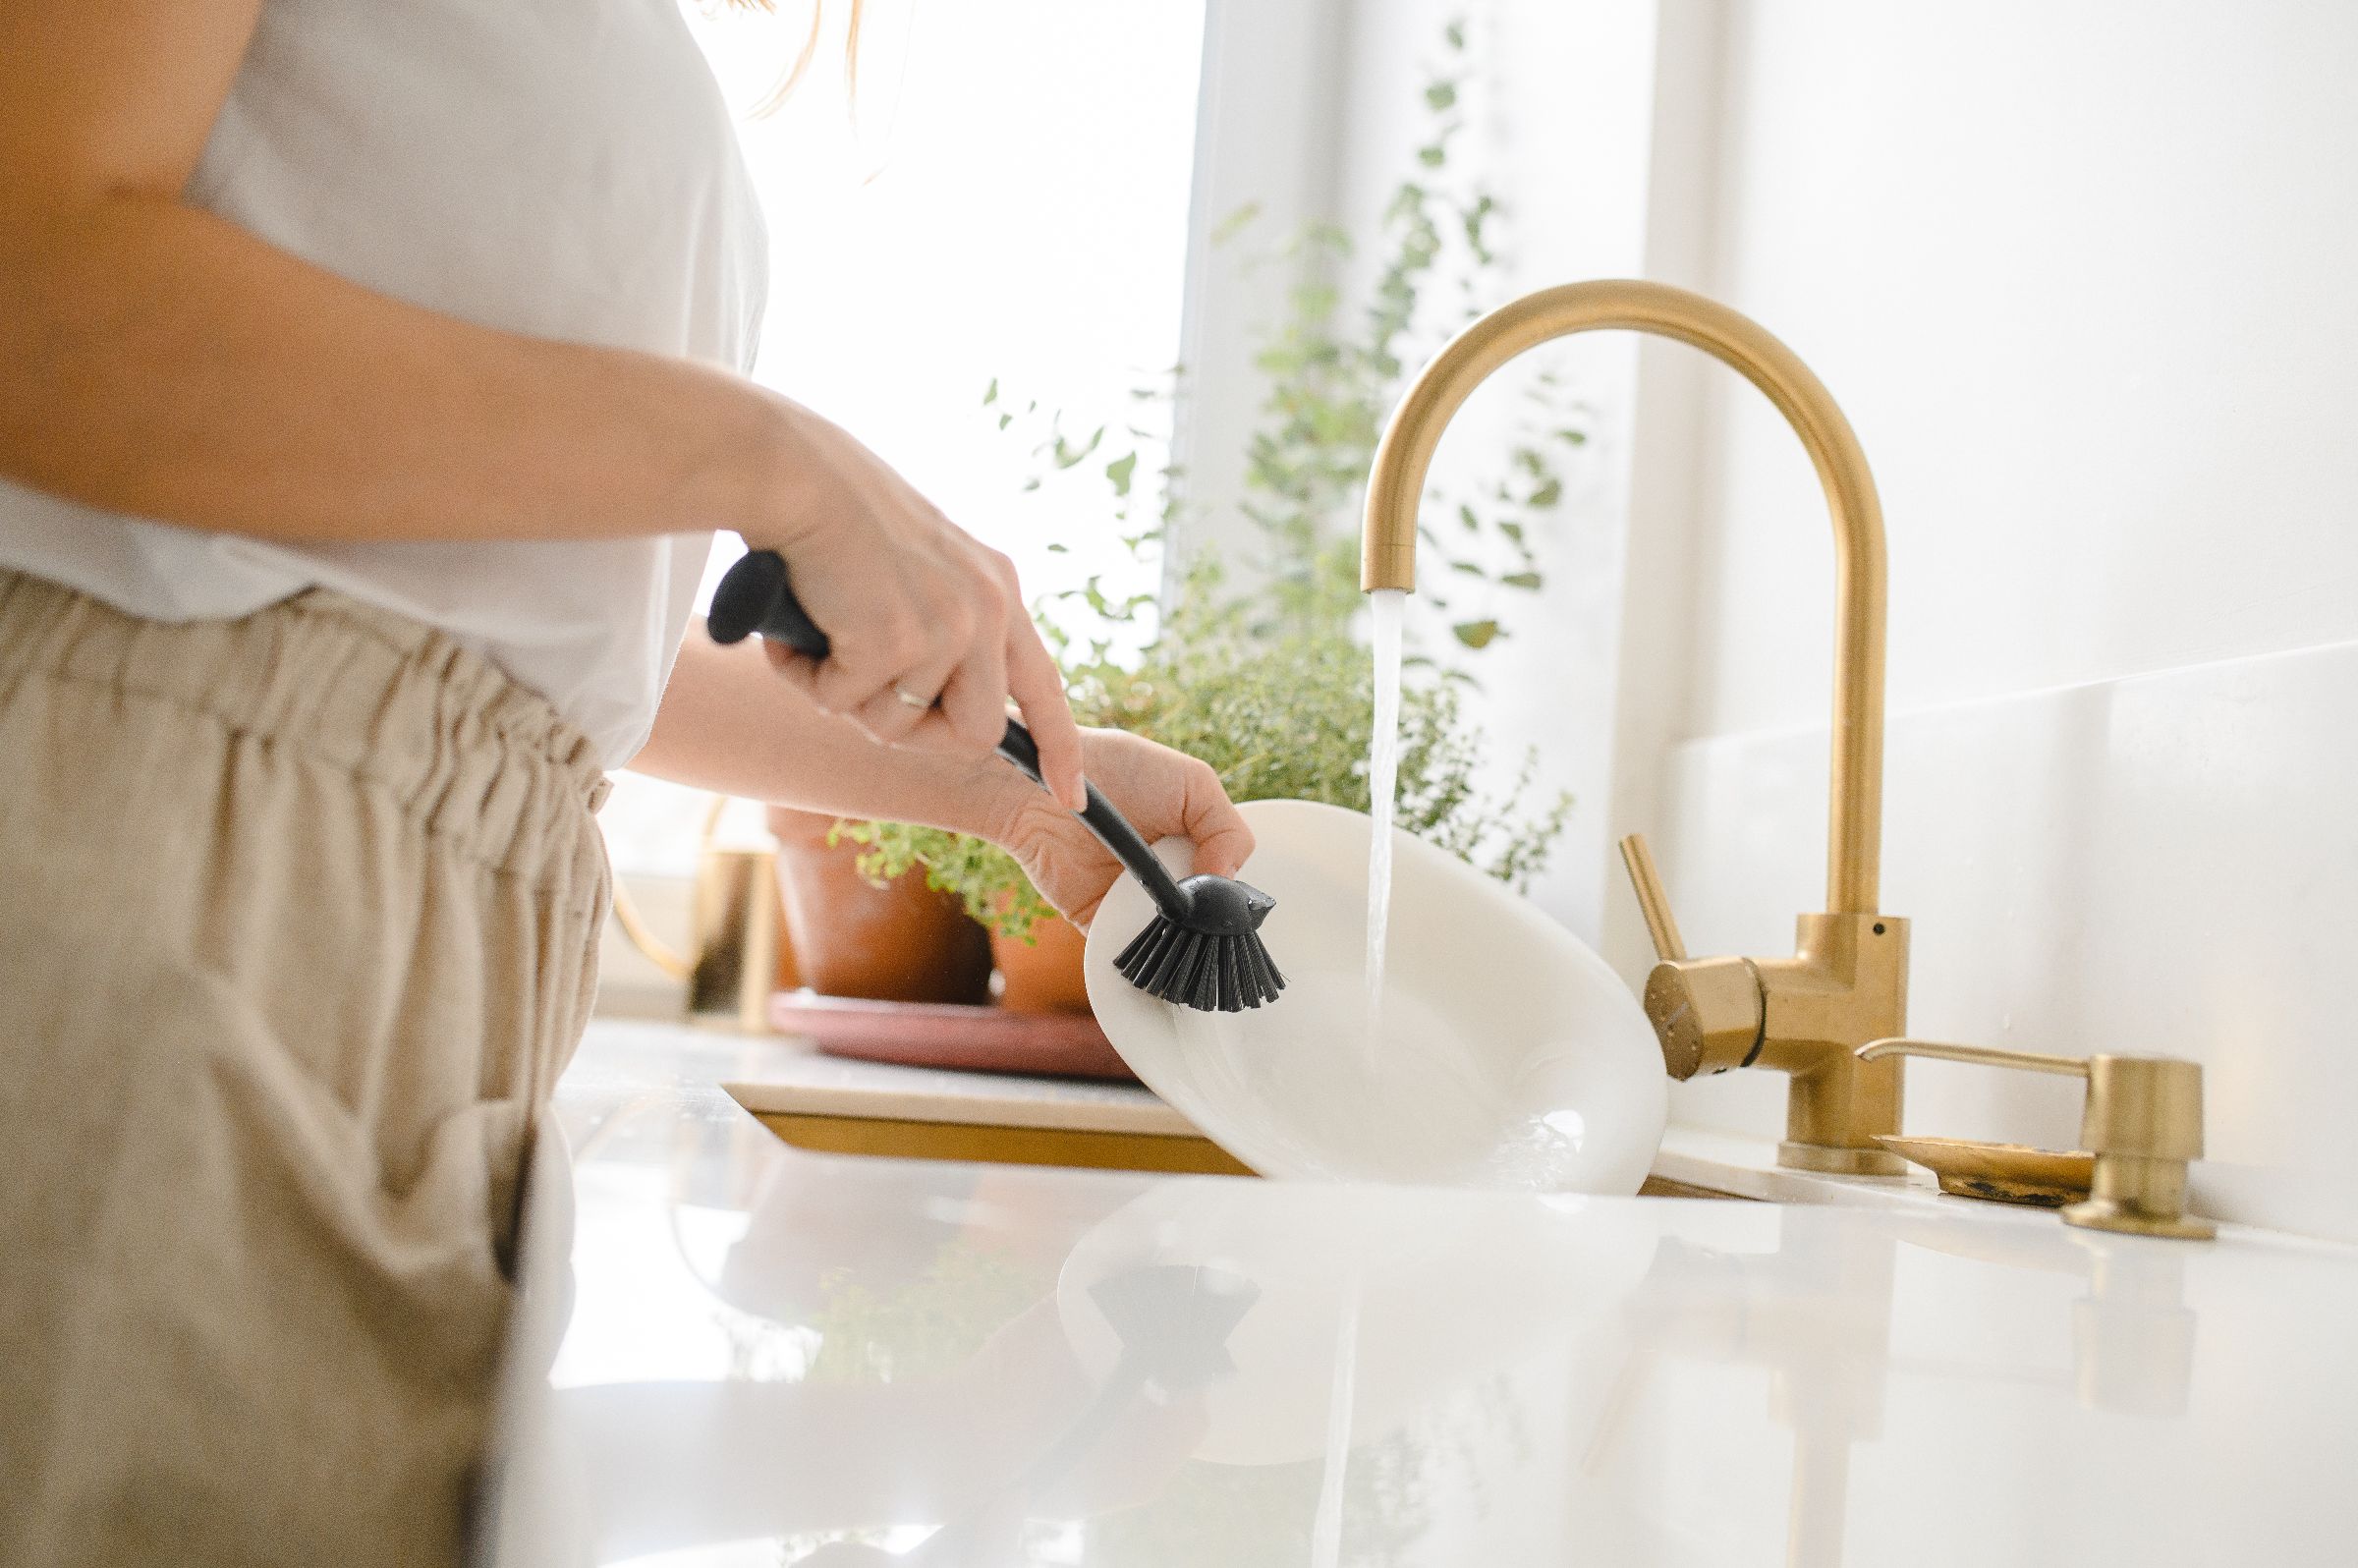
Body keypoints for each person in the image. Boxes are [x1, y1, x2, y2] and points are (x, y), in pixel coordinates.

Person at [0, 3, 1253, 1564]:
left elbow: (519, 629)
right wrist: (768, 459)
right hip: (176, 895)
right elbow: (35, 292)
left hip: (382, 966)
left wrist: (1017, 801)